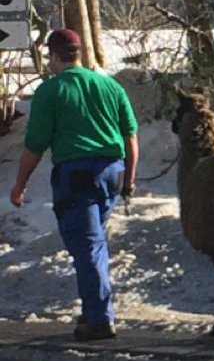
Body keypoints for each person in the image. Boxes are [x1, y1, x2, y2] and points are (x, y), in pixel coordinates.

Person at [10, 29, 139, 341]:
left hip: (77, 175)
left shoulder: (51, 91)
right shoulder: (110, 86)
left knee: (88, 246)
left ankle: (99, 319)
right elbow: (131, 138)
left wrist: (19, 185)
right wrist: (129, 181)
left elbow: (35, 145)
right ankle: (93, 308)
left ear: (54, 56)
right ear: (79, 54)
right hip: (112, 172)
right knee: (92, 244)